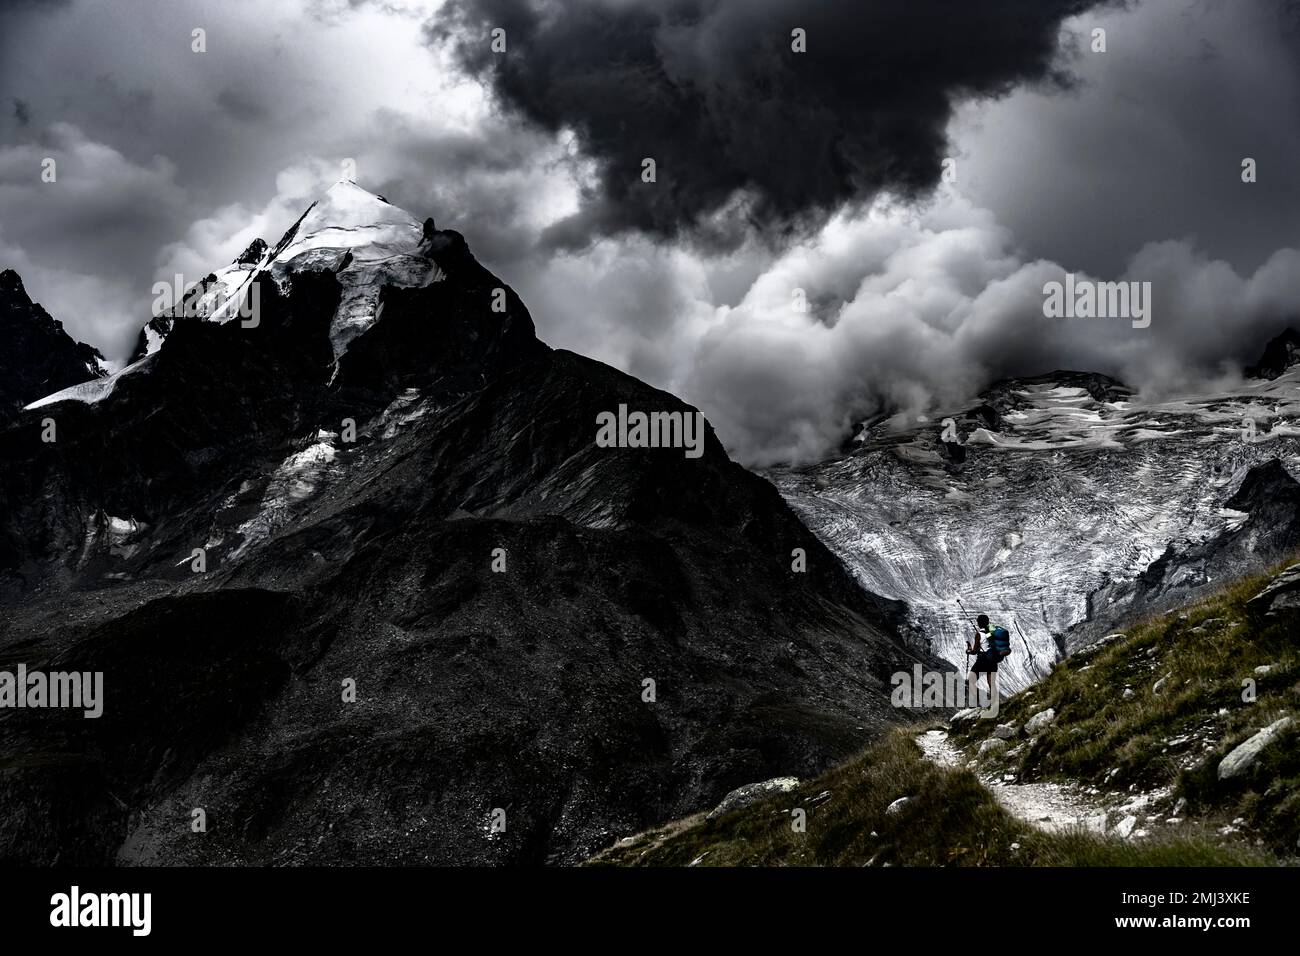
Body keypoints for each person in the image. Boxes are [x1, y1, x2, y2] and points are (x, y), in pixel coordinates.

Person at [967, 613, 1000, 705]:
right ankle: (995, 703)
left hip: (982, 661)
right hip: (992, 660)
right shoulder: (992, 633)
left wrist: (969, 649)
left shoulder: (979, 634)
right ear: (988, 622)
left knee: (970, 681)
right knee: (991, 683)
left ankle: (980, 702)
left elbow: (974, 651)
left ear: (978, 623)